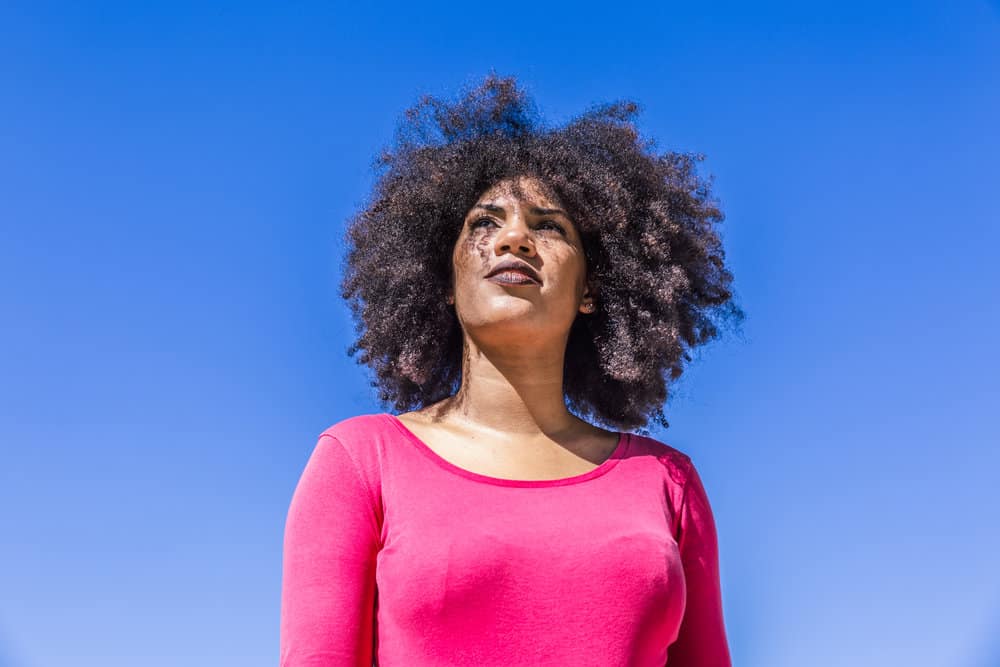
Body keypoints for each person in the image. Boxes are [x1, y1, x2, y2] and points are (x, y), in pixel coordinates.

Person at [279, 72, 744, 666]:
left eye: (549, 226)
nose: (514, 239)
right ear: (443, 281)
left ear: (592, 290)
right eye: (484, 223)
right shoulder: (360, 461)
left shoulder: (668, 482)